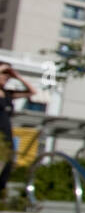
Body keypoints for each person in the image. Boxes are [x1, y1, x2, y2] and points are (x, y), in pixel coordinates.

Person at [0, 62, 37, 192]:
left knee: (6, 167)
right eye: (3, 74)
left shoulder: (8, 94)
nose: (6, 77)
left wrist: (18, 77)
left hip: (6, 136)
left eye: (7, 76)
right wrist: (2, 68)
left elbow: (32, 92)